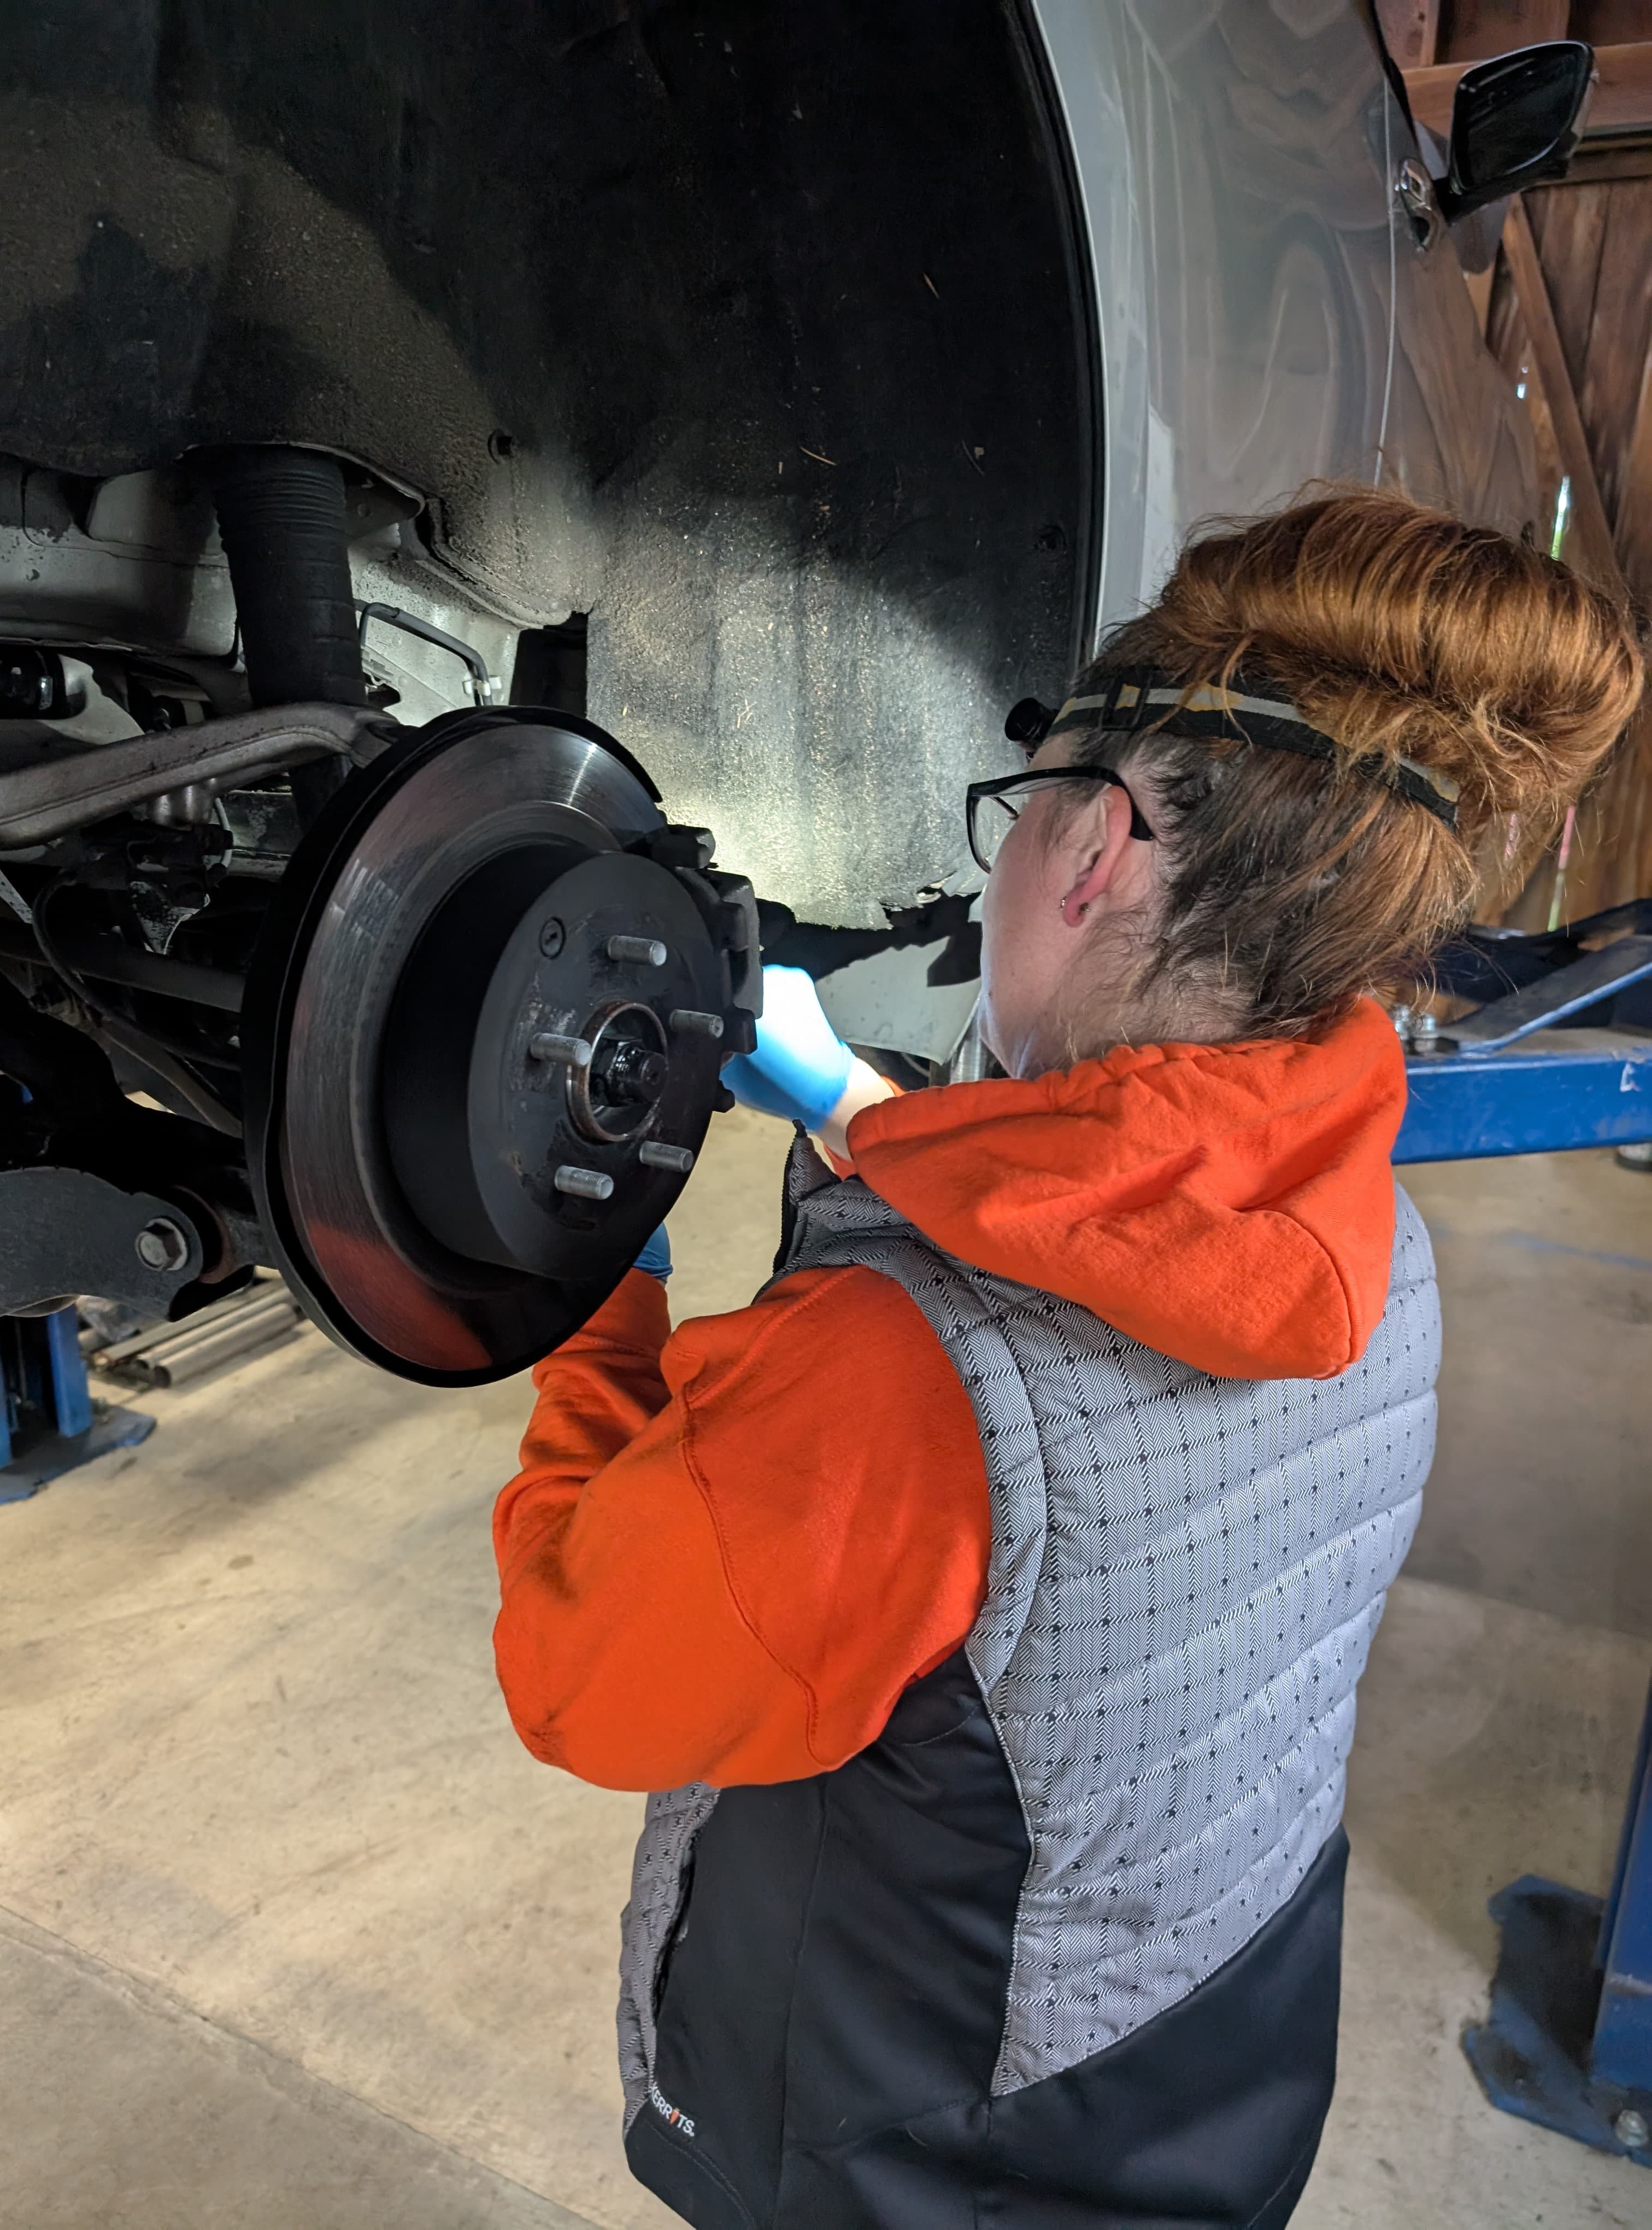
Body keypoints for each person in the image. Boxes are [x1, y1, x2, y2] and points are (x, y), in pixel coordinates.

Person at [492, 488, 1643, 2229]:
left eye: (1018, 815)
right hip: (1199, 2082)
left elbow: (583, 1671)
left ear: (1096, 845)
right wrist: (859, 1117)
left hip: (933, 2160)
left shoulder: (896, 1377)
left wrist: (594, 1291)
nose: (1001, 860)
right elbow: (1110, 1228)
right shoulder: (1370, 1242)